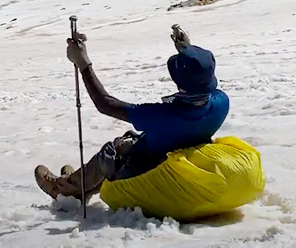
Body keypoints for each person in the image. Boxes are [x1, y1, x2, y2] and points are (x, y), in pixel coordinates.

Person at [35, 24, 230, 202]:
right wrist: (188, 52)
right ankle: (79, 182)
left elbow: (105, 104)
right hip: (177, 158)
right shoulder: (221, 103)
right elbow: (200, 81)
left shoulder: (166, 115)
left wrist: (83, 63)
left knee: (113, 151)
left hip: (150, 169)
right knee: (128, 144)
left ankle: (65, 189)